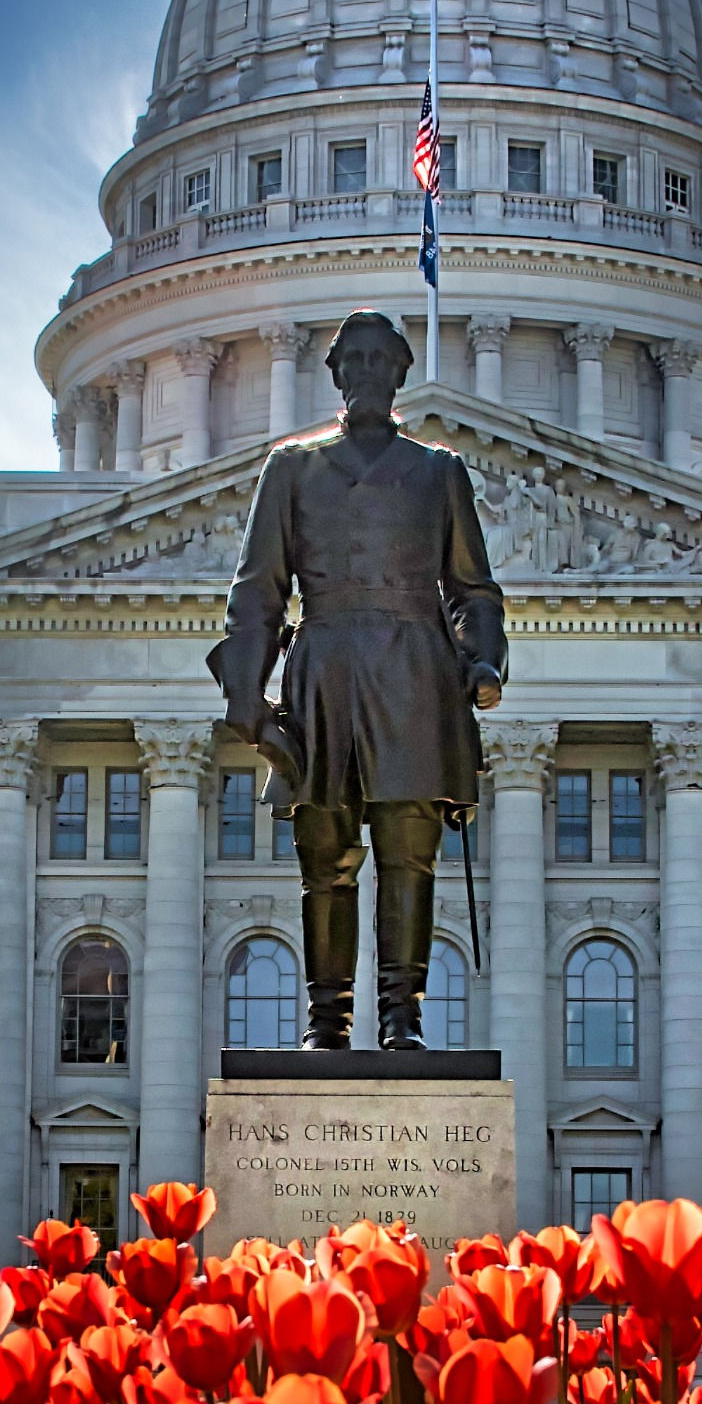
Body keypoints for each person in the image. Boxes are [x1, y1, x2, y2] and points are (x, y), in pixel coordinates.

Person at [208, 312, 505, 1050]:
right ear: (336, 373)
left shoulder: (440, 471)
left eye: (383, 360)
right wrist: (247, 699)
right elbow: (259, 589)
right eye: (356, 360)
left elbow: (474, 587)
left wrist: (484, 659)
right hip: (324, 672)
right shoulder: (292, 468)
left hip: (415, 672)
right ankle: (327, 1022)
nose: (368, 371)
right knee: (327, 859)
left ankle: (402, 1018)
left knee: (410, 851)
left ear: (401, 373)